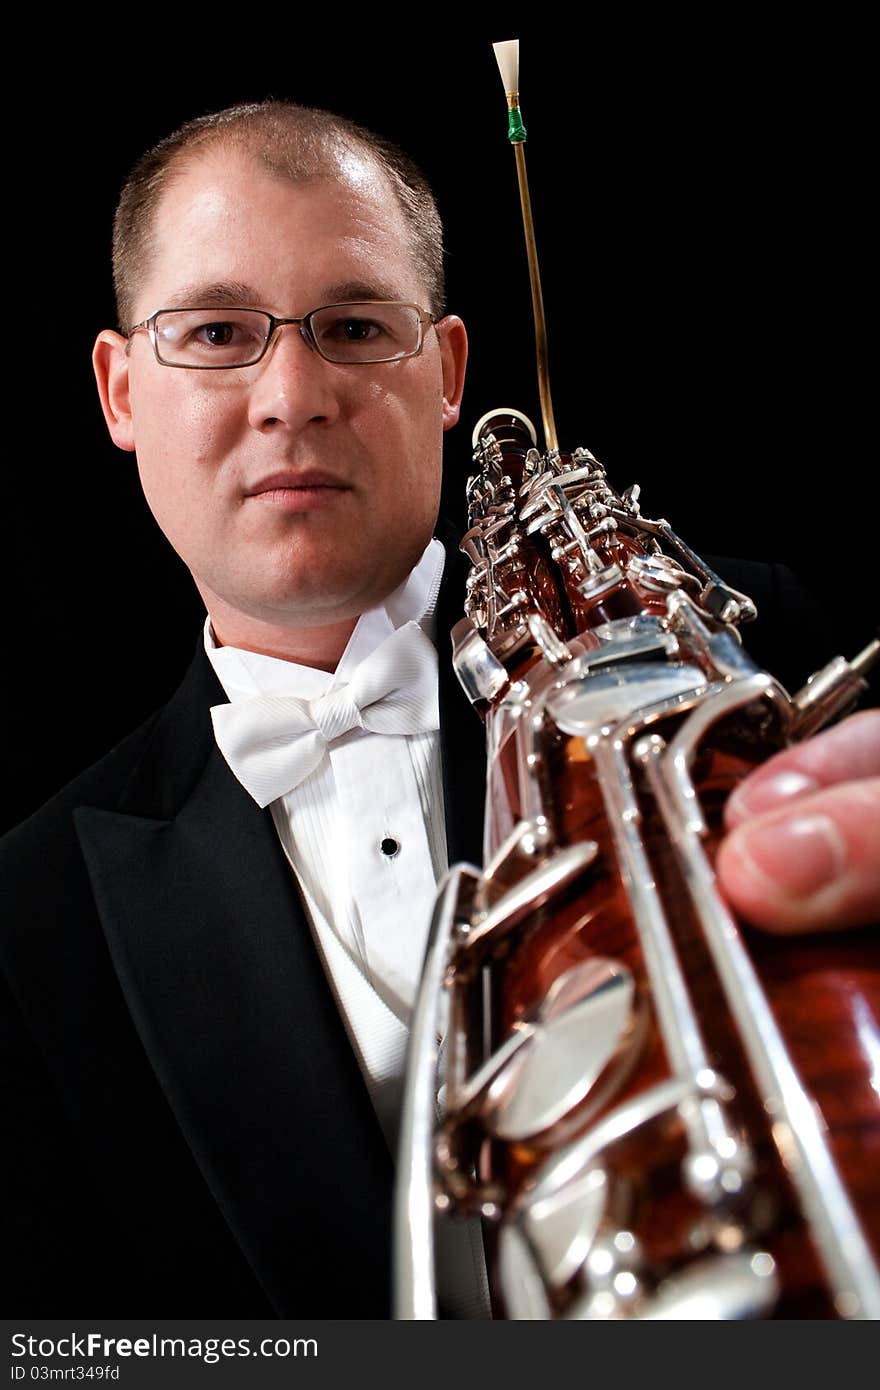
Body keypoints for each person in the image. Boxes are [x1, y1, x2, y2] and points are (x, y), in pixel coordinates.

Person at [1, 99, 877, 1320]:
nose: (291, 395)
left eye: (356, 325)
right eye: (214, 331)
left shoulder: (747, 647)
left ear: (451, 371)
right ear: (120, 390)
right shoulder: (31, 906)